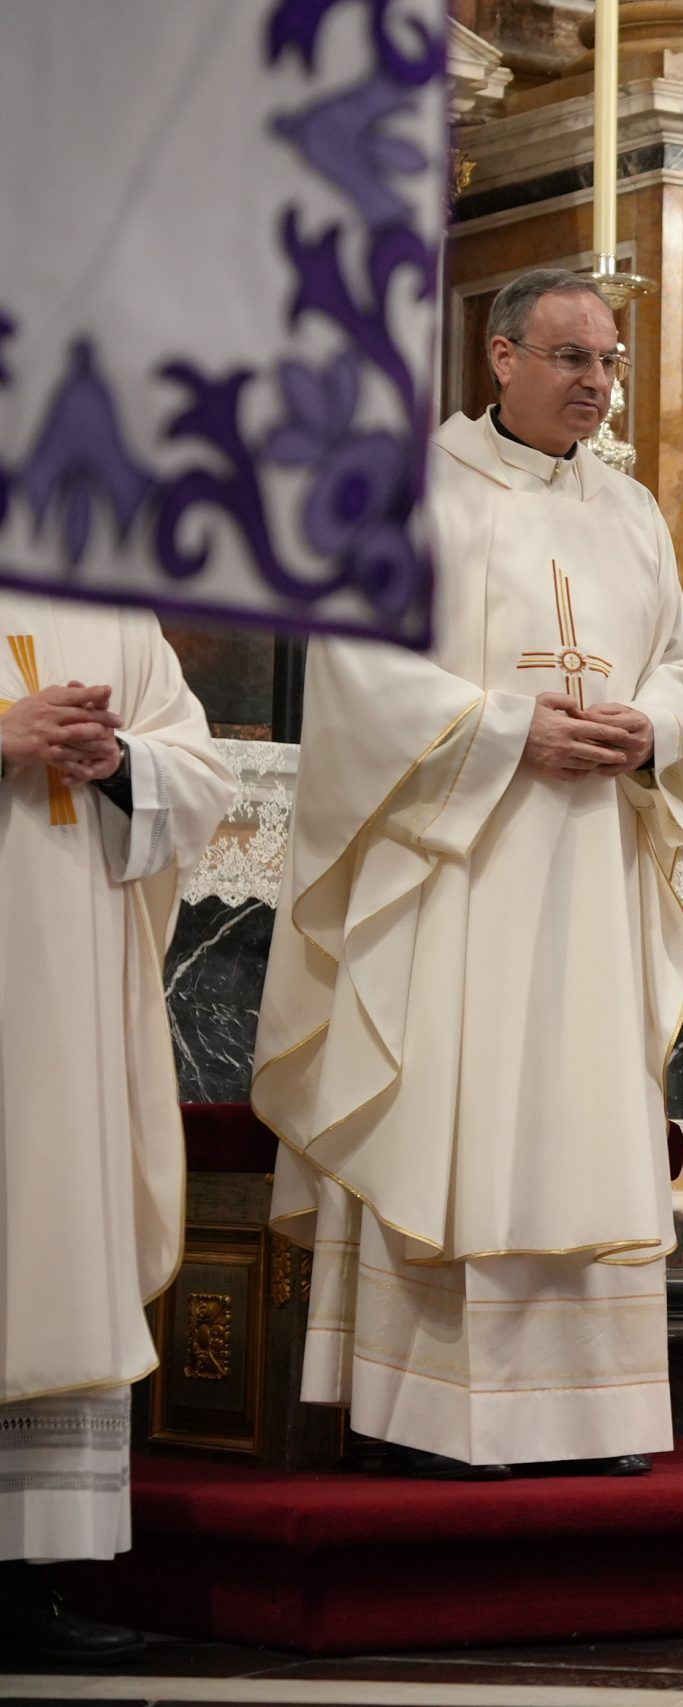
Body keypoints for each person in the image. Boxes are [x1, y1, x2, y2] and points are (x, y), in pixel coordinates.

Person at [253, 269, 683, 1480]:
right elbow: (358, 669)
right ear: (501, 358)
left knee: (580, 1111)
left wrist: (654, 728)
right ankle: (434, 1415)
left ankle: (594, 1415)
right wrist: (507, 730)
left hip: (592, 864)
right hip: (461, 864)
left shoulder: (631, 511)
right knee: (458, 1106)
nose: (597, 385)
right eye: (572, 359)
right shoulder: (412, 495)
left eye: (610, 363)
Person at [0, 590, 234, 1658]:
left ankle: (27, 1575)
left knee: (51, 1238)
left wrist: (121, 762)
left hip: (72, 988)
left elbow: (199, 770)